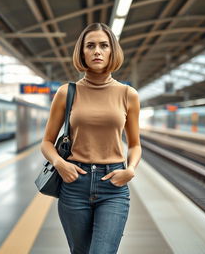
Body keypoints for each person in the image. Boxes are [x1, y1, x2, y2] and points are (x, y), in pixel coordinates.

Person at [41, 22, 142, 254]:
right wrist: (60, 163)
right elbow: (47, 142)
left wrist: (131, 169)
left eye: (104, 45)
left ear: (112, 51)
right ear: (82, 53)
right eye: (90, 45)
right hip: (74, 183)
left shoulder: (128, 95)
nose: (97, 51)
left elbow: (135, 144)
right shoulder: (66, 93)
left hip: (113, 186)